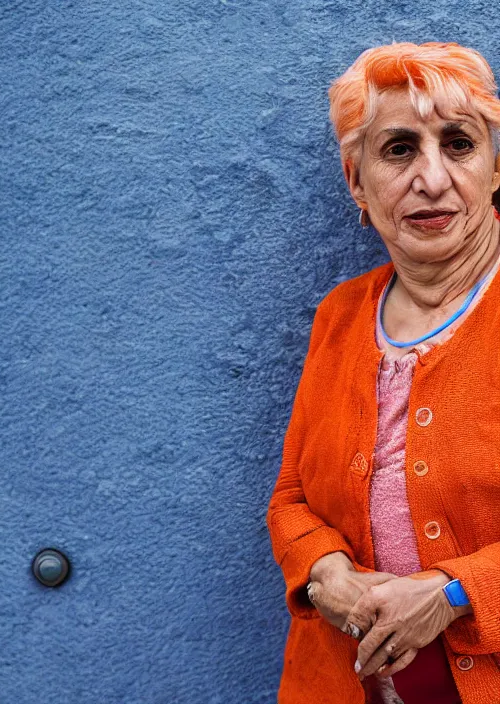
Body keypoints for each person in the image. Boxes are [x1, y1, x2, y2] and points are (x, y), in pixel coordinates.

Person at [266, 41, 500, 704]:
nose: (431, 178)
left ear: (494, 167)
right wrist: (325, 573)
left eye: (458, 144)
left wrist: (455, 594)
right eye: (399, 149)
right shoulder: (340, 318)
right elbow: (291, 503)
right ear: (356, 181)